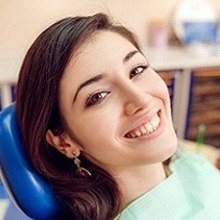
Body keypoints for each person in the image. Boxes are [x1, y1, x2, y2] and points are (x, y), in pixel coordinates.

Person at [16, 13, 220, 220]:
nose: (141, 99)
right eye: (98, 96)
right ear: (63, 142)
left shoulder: (181, 160)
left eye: (137, 70)